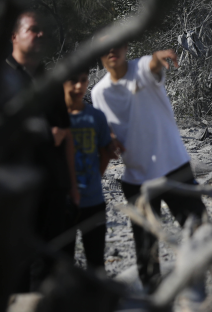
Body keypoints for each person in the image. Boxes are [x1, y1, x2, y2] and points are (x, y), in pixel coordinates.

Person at [91, 45, 211, 292]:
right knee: (147, 250)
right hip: (137, 179)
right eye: (105, 48)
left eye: (116, 45)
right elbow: (108, 134)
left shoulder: (141, 68)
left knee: (201, 234)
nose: (111, 51)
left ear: (125, 47)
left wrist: (160, 57)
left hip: (174, 168)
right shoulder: (99, 93)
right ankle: (153, 300)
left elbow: (153, 63)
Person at [0, 11, 80, 291]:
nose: (40, 35)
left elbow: (66, 135)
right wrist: (44, 134)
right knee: (17, 268)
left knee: (54, 263)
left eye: (42, 30)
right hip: (16, 193)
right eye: (32, 30)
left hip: (54, 188)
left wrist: (72, 185)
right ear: (14, 36)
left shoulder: (51, 81)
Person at [62, 68, 117, 271]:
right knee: (61, 264)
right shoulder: (54, 119)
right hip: (62, 203)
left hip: (93, 201)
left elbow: (105, 153)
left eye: (84, 80)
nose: (79, 86)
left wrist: (94, 179)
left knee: (96, 262)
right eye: (73, 80)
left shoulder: (96, 117)